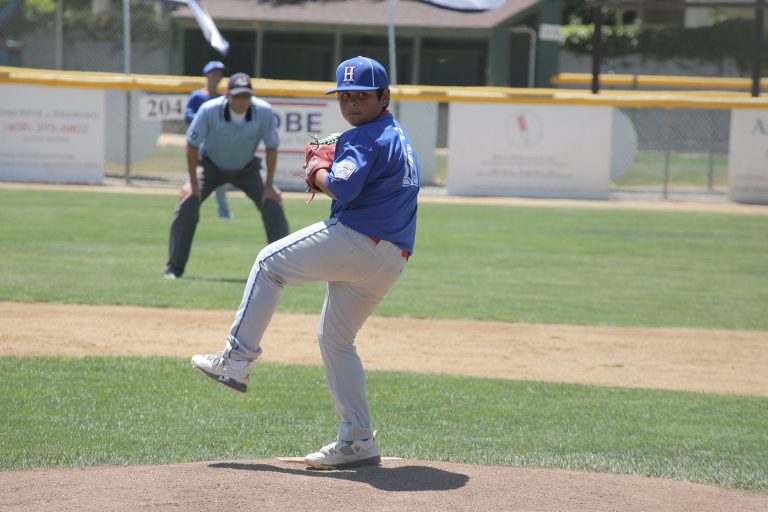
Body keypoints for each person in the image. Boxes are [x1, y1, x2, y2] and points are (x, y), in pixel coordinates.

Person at [191, 56, 420, 470]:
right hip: (391, 258)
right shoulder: (395, 134)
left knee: (267, 263)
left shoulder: (365, 137)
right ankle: (358, 438)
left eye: (361, 96)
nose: (351, 103)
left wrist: (316, 171)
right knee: (335, 341)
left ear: (384, 96)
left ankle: (236, 361)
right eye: (344, 96)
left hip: (359, 241)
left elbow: (345, 188)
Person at [164, 72, 289, 280]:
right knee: (187, 203)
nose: (242, 101)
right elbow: (192, 144)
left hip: (247, 168)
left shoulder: (264, 112)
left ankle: (285, 269)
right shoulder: (209, 110)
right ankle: (173, 269)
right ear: (227, 95)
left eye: (246, 96)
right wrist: (192, 185)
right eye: (237, 96)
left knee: (273, 204)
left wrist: (269, 187)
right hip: (210, 166)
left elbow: (272, 147)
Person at [186, 61, 233, 220]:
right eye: (214, 74)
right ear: (206, 75)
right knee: (194, 179)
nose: (217, 77)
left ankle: (224, 214)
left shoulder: (222, 99)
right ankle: (189, 209)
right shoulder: (198, 96)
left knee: (220, 182)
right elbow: (188, 117)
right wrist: (205, 119)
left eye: (220, 74)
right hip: (199, 144)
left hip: (216, 144)